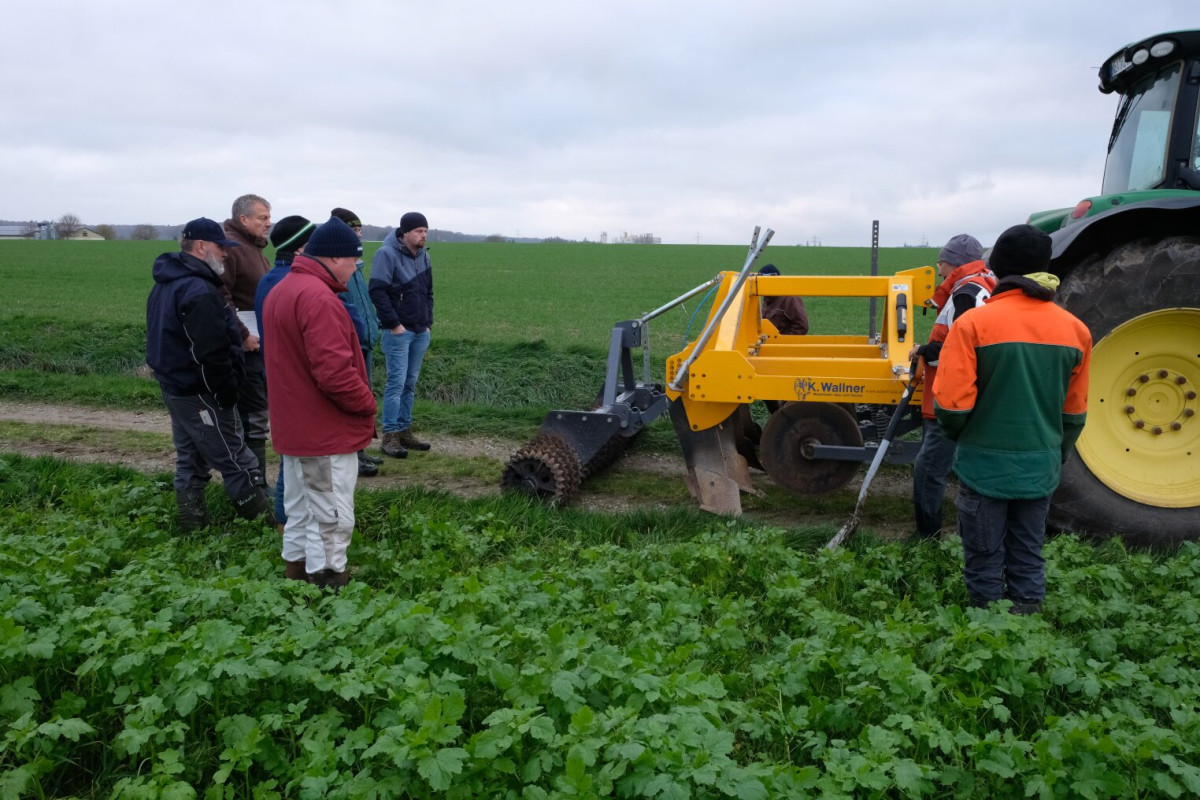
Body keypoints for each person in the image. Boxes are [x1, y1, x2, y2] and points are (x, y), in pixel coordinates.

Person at [934, 224, 1091, 614]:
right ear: (1045, 267)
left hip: (983, 469)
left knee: (985, 557)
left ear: (998, 268)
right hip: (1039, 468)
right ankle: (1028, 627)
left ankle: (990, 632)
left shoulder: (973, 325)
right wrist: (1052, 453)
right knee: (1027, 554)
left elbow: (952, 407)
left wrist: (969, 438)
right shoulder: (1076, 331)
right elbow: (1074, 414)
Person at [263, 216, 377, 588]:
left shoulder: (284, 288)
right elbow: (335, 374)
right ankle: (329, 585)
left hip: (295, 425)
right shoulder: (319, 298)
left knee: (299, 509)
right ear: (334, 258)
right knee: (330, 514)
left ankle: (295, 572)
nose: (355, 269)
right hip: (323, 430)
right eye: (354, 261)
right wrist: (367, 403)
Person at [145, 218, 273, 532]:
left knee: (190, 457)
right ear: (202, 247)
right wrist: (226, 391)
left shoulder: (167, 282)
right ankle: (264, 529)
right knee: (234, 457)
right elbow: (211, 351)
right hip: (201, 391)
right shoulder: (197, 290)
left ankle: (193, 527)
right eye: (221, 247)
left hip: (176, 388)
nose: (226, 254)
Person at [908, 234, 993, 539]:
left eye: (941, 262)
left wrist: (923, 352)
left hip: (951, 398)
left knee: (928, 470)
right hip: (970, 396)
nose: (939, 270)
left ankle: (927, 538)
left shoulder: (965, 294)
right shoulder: (983, 286)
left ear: (954, 262)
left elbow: (961, 351)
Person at [370, 211, 434, 458]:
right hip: (398, 331)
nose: (423, 236)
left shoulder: (425, 257)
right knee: (396, 384)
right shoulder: (386, 254)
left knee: (410, 383)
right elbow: (377, 291)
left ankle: (405, 431)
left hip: (420, 330)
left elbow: (429, 293)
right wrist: (394, 324)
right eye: (419, 231)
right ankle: (390, 436)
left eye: (425, 231)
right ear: (405, 232)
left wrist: (428, 323)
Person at [221, 194, 274, 483]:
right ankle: (255, 487)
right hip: (245, 349)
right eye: (262, 218)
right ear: (244, 219)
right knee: (252, 419)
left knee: (257, 417)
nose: (268, 223)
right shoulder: (232, 247)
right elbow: (221, 295)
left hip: (259, 345)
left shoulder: (255, 248)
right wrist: (241, 335)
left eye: (268, 217)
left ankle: (255, 482)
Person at [331, 207, 384, 474]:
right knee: (353, 401)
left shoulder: (356, 266)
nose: (360, 235)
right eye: (355, 230)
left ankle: (360, 451)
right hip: (351, 344)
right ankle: (353, 455)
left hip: (364, 341)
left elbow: (363, 303)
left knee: (365, 397)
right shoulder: (338, 269)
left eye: (360, 230)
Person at [758, 263, 809, 335]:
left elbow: (802, 326)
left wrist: (785, 342)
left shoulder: (790, 298)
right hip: (768, 344)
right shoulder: (767, 298)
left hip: (781, 344)